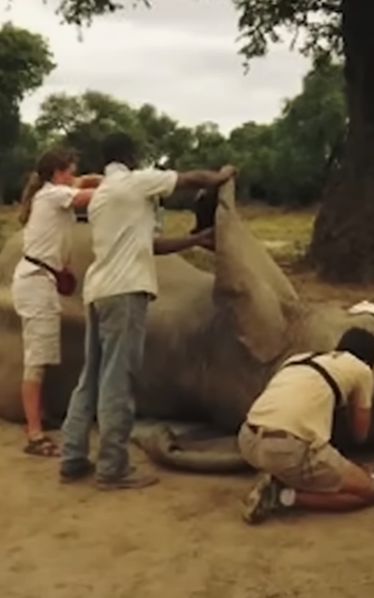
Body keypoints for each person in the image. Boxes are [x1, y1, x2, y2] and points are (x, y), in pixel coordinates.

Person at [58, 132, 234, 490]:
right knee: (118, 380)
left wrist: (196, 240)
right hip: (124, 293)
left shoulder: (103, 196)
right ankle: (112, 468)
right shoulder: (136, 183)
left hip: (97, 291)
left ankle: (73, 456)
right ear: (131, 156)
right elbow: (190, 180)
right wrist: (221, 175)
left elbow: (150, 244)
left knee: (91, 377)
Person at [238, 327, 374, 525]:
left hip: (248, 440)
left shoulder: (298, 359)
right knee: (369, 491)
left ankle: (277, 478)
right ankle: (284, 497)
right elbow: (360, 434)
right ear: (368, 360)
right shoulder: (362, 370)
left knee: (296, 455)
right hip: (288, 448)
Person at [11, 148, 102, 457]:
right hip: (36, 280)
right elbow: (84, 197)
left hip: (42, 278)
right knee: (35, 361)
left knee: (41, 355)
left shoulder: (52, 192)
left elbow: (84, 183)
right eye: (70, 171)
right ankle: (34, 435)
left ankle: (38, 419)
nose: (74, 176)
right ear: (57, 173)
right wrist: (123, 186)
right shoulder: (53, 196)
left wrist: (102, 178)